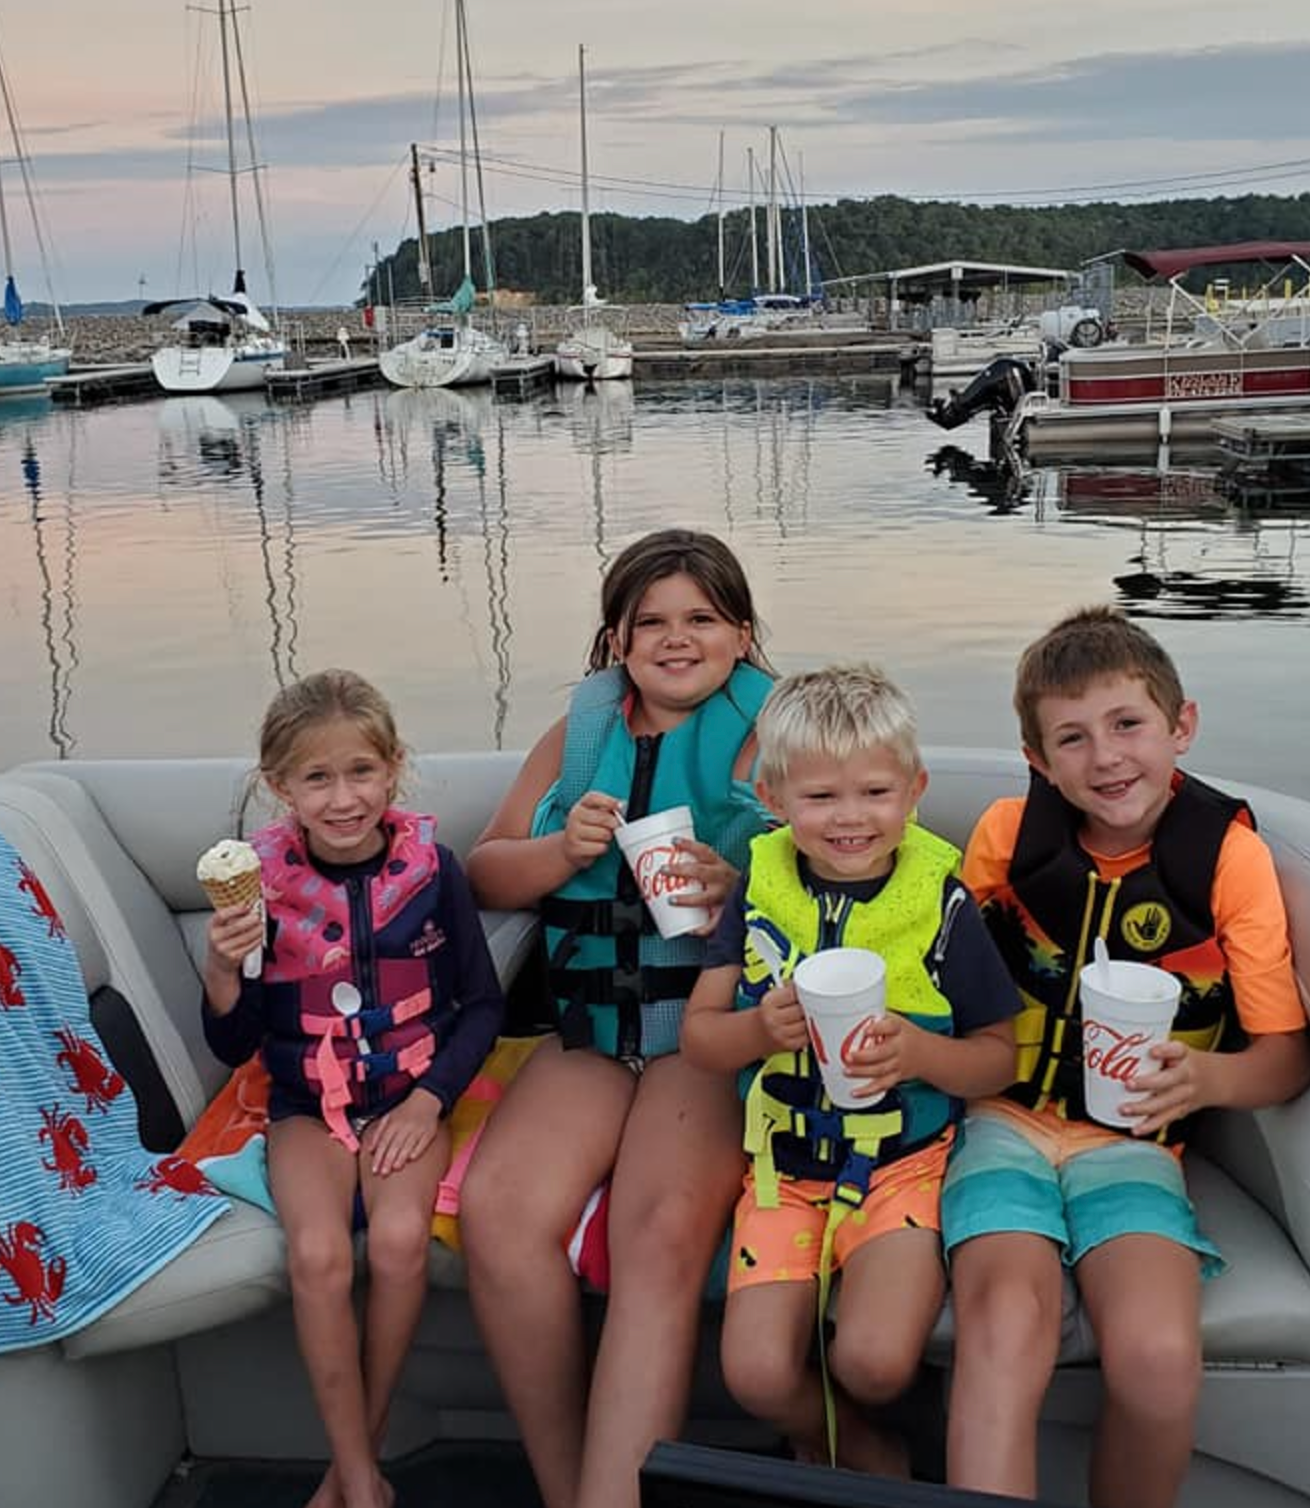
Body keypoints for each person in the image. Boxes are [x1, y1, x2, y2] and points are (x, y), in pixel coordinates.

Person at [942, 607, 1310, 1508]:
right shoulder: (1004, 839)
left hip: (1138, 1145)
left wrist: (1209, 1078)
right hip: (999, 1121)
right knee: (1004, 1326)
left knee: (1155, 1357)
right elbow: (941, 983)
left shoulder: (1229, 861)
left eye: (1127, 725)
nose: (1105, 758)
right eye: (1071, 738)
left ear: (1180, 725)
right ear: (1037, 760)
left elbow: (1285, 1062)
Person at [459, 528, 776, 1508]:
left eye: (700, 619)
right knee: (499, 1213)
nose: (676, 639)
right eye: (651, 623)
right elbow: (485, 867)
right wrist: (559, 852)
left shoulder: (776, 733)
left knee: (658, 1236)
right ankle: (566, 1487)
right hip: (589, 1034)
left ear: (740, 633)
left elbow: (842, 873)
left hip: (708, 1037)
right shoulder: (578, 738)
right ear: (615, 643)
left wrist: (741, 883)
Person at [682, 664, 1019, 1476]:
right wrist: (758, 1030)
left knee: (875, 1359)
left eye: (874, 792)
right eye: (820, 797)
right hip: (784, 1172)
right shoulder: (758, 889)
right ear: (772, 797)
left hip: (903, 1168)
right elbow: (698, 1039)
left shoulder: (944, 907)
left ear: (914, 790)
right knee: (755, 1373)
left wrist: (920, 1051)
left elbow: (998, 1059)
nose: (850, 818)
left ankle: (864, 1428)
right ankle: (860, 1446)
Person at [200, 668, 504, 1508]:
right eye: (317, 779)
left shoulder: (434, 872)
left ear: (394, 768)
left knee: (402, 1243)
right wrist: (224, 969)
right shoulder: (256, 889)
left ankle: (352, 1470)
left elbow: (482, 1007)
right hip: (306, 1108)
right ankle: (365, 1481)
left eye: (361, 772)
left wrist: (427, 1100)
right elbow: (234, 1040)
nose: (343, 799)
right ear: (279, 787)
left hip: (410, 1099)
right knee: (320, 1255)